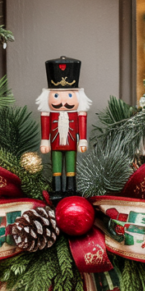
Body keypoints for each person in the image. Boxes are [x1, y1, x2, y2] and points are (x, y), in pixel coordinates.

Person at [37, 56, 91, 194]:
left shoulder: (78, 113)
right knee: (56, 166)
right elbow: (45, 125)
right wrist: (45, 140)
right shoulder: (48, 113)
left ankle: (71, 188)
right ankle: (57, 188)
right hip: (55, 144)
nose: (62, 101)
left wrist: (83, 140)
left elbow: (82, 123)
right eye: (56, 96)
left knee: (71, 165)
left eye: (69, 95)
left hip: (71, 144)